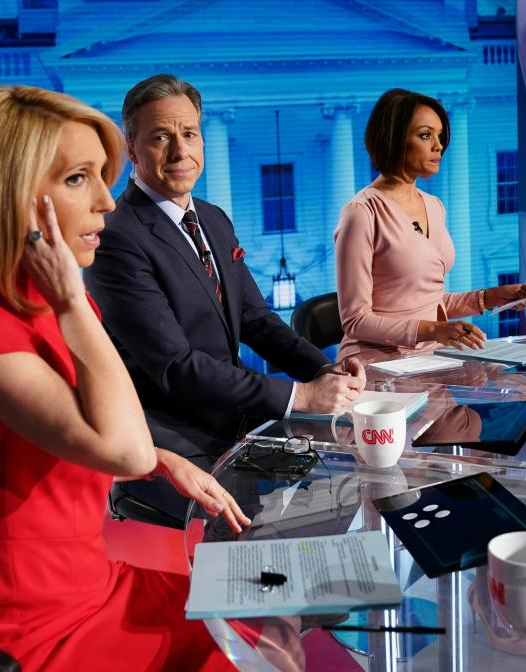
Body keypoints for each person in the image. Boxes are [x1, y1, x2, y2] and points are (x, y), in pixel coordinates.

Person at [0, 85, 266, 671]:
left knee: (258, 620)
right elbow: (122, 452)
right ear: (15, 199)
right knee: (243, 647)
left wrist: (166, 458)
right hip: (31, 623)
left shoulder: (35, 308)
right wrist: (73, 302)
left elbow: (80, 431)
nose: (107, 203)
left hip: (92, 580)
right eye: (79, 178)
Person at [84, 74, 366, 523]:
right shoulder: (116, 238)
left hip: (238, 428)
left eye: (189, 134)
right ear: (131, 149)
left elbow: (257, 319)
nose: (180, 152)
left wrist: (323, 370)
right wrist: (301, 397)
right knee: (269, 547)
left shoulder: (212, 219)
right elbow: (176, 368)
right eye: (160, 137)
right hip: (176, 447)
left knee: (348, 496)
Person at [335, 88, 526, 361]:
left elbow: (430, 303)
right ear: (393, 139)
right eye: (425, 135)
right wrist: (433, 330)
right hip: (377, 361)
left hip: (430, 355)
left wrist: (491, 297)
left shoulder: (434, 206)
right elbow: (356, 321)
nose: (438, 145)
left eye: (440, 136)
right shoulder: (361, 213)